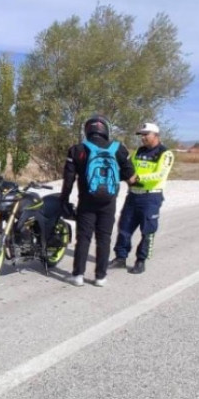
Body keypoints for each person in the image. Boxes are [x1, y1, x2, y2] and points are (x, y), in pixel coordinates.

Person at [60, 115, 135, 287]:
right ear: (106, 130)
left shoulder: (77, 149)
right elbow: (129, 175)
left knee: (83, 238)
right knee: (104, 238)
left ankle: (78, 275)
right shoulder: (118, 148)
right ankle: (100, 277)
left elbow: (68, 179)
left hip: (86, 201)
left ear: (87, 130)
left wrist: (64, 200)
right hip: (109, 201)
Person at [111, 122, 174, 274]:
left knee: (148, 230)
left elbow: (160, 174)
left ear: (156, 135)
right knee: (124, 227)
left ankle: (141, 260)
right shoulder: (139, 151)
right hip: (133, 195)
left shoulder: (165, 153)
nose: (143, 138)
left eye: (146, 134)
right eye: (141, 135)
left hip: (151, 196)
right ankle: (120, 258)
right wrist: (120, 176)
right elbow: (130, 168)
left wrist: (137, 178)